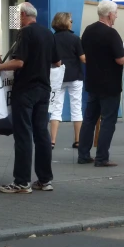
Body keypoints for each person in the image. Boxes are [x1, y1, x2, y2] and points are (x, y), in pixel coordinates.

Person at [0, 2, 61, 193]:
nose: (17, 19)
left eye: (17, 16)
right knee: (42, 134)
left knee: (23, 134)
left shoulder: (25, 33)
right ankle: (44, 180)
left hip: (25, 89)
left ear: (23, 14)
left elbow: (19, 62)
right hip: (44, 89)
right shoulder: (48, 33)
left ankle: (22, 181)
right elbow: (57, 62)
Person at [78, 0, 124, 167]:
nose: (116, 16)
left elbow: (84, 53)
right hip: (109, 84)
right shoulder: (112, 34)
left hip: (92, 81)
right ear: (110, 14)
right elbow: (120, 59)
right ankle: (102, 157)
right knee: (108, 120)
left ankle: (83, 154)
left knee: (89, 118)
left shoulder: (88, 30)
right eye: (116, 13)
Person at [49, 12, 85, 149]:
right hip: (75, 76)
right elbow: (82, 58)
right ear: (66, 22)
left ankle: (52, 141)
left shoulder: (52, 38)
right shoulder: (75, 39)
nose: (72, 22)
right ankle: (78, 140)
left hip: (57, 76)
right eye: (71, 20)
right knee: (76, 108)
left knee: (56, 108)